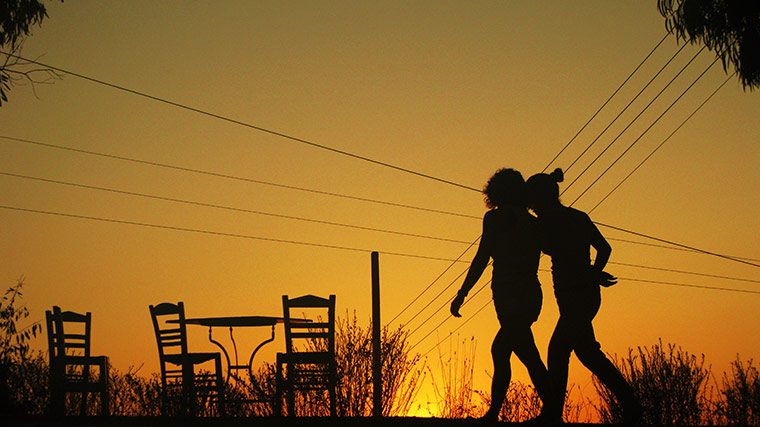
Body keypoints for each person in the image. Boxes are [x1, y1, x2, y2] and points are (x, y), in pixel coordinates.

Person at [525, 168, 641, 425]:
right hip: (586, 294)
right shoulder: (577, 216)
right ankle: (631, 405)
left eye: (530, 199)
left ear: (538, 197)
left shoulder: (546, 222)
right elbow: (604, 248)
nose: (530, 206)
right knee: (586, 352)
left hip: (572, 294)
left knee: (559, 352)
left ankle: (553, 414)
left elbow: (559, 252)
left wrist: (589, 274)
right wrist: (593, 273)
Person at [450, 168, 553, 422]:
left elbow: (481, 258)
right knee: (518, 351)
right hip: (528, 295)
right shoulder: (533, 223)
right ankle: (546, 410)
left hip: (510, 296)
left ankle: (510, 412)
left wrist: (462, 293)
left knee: (511, 350)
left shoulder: (494, 219)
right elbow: (553, 249)